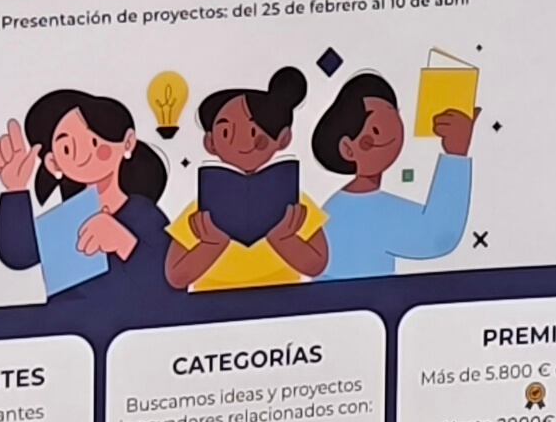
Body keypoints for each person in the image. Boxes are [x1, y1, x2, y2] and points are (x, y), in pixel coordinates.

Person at [0, 86, 171, 315]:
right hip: (69, 331)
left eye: (95, 142)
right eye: (67, 148)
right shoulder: (69, 218)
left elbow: (170, 278)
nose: (84, 155)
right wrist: (15, 190)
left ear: (127, 143)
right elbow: (19, 253)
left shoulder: (143, 213)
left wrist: (125, 244)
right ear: (54, 164)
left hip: (132, 330)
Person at [165, 68, 331, 292]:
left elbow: (317, 264)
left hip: (284, 303)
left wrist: (284, 239)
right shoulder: (202, 210)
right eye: (226, 133)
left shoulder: (294, 204)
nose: (243, 143)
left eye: (255, 134)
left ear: (283, 139)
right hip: (211, 309)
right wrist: (210, 245)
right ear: (210, 143)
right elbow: (176, 275)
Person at [311, 70, 476, 276]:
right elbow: (437, 236)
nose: (394, 133)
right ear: (348, 149)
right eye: (377, 130)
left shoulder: (343, 204)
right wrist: (456, 154)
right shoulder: (361, 208)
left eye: (395, 116)